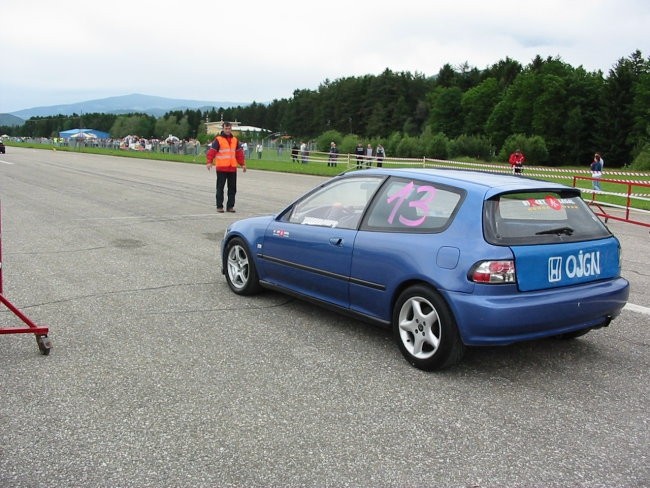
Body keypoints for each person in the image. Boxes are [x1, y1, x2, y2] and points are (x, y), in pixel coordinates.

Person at [206, 121, 246, 213]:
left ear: (231, 128)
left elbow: (239, 153)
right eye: (226, 128)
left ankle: (230, 206)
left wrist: (242, 164)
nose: (228, 130)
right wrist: (209, 162)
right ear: (223, 129)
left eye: (229, 128)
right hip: (221, 168)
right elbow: (212, 151)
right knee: (220, 188)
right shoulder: (218, 139)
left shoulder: (235, 140)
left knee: (232, 188)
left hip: (232, 168)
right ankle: (219, 206)